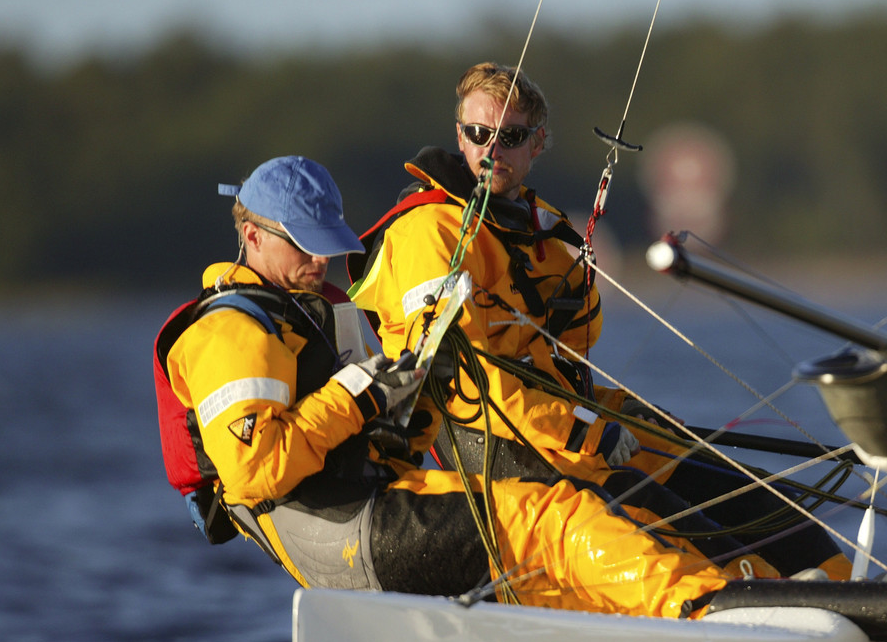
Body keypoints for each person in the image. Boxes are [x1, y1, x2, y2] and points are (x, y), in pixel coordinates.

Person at [154, 155, 732, 618]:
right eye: (302, 243)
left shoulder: (311, 314)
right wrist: (363, 393)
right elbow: (258, 472)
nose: (319, 259)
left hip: (376, 500)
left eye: (326, 241)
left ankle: (697, 614)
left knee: (551, 574)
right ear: (252, 237)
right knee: (552, 519)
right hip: (340, 531)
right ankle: (708, 611)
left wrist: (413, 395)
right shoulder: (228, 331)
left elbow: (371, 436)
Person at [347, 62, 851, 580]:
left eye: (511, 136)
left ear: (537, 143)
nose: (491, 150)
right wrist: (588, 431)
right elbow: (470, 385)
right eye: (478, 134)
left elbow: (574, 352)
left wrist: (616, 414)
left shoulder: (547, 233)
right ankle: (770, 600)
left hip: (569, 428)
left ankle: (844, 584)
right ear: (459, 135)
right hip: (494, 443)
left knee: (752, 499)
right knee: (683, 531)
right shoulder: (429, 233)